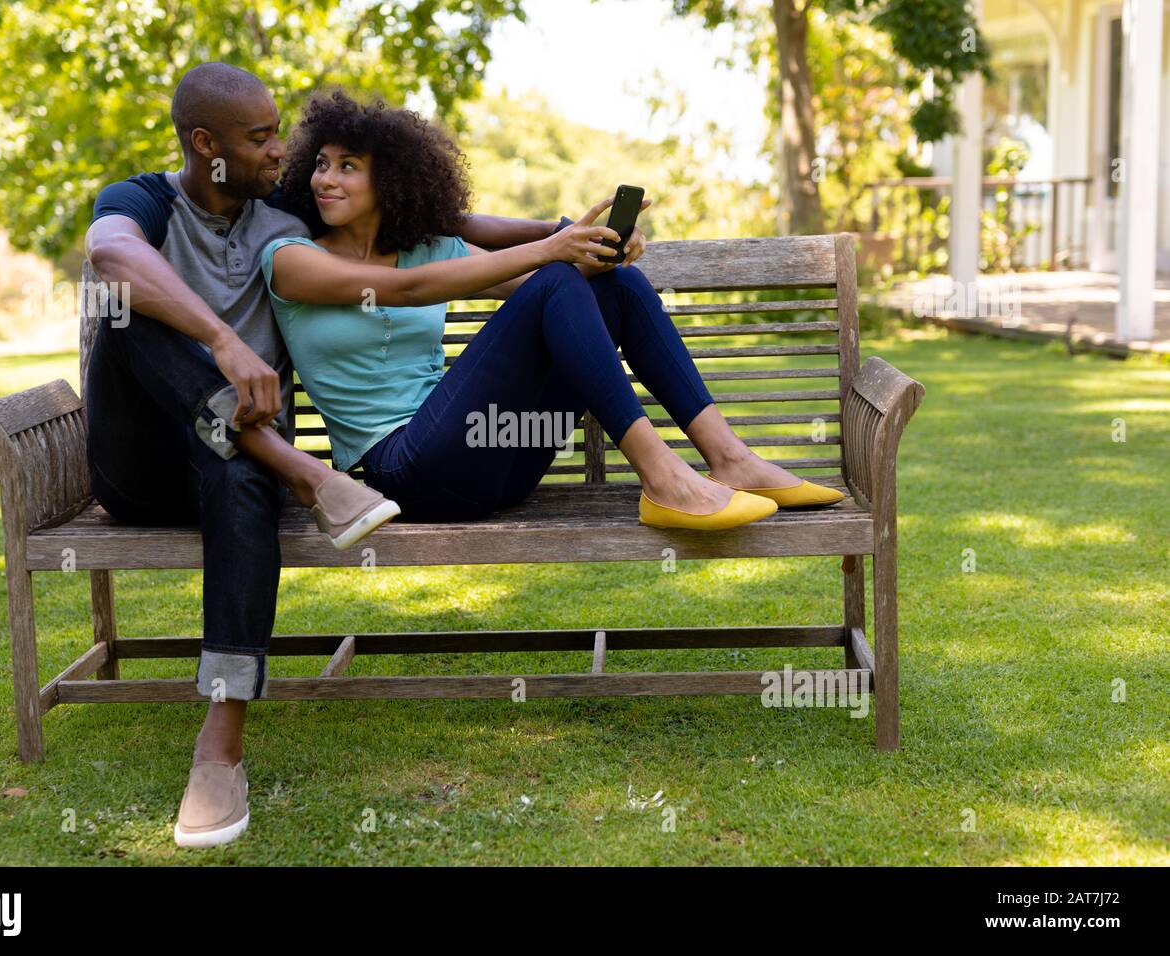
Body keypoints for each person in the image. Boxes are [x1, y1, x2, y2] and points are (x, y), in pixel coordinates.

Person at [84, 63, 570, 848]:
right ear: (205, 146)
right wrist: (224, 341)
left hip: (234, 453)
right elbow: (109, 254)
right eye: (261, 137)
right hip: (141, 463)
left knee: (243, 479)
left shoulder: (277, 204)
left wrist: (552, 232)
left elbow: (440, 220)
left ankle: (220, 744)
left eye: (282, 134)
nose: (284, 152)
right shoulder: (143, 200)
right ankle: (305, 472)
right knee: (124, 295)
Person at [262, 88, 843, 532]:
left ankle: (730, 457)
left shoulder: (430, 247)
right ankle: (662, 476)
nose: (324, 180)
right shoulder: (292, 260)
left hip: (497, 464)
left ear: (389, 182)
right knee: (555, 277)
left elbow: (551, 297)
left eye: (347, 167)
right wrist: (550, 250)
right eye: (321, 163)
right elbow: (409, 291)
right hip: (405, 473)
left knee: (614, 286)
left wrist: (606, 250)